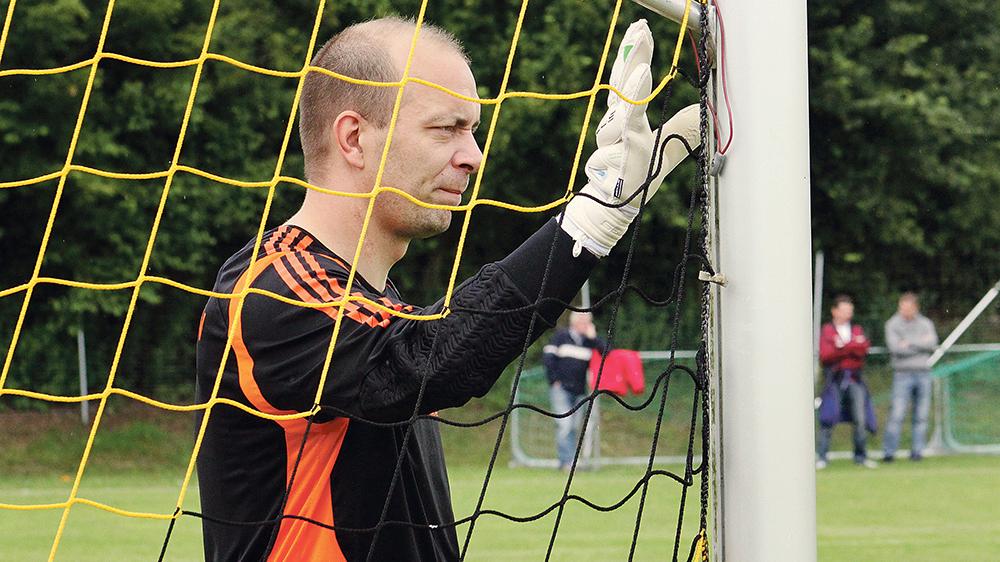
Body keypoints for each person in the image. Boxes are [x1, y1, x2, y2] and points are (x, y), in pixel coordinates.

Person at [194, 16, 700, 561]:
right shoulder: (270, 288)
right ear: (354, 138)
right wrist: (592, 220)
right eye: (446, 129)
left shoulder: (378, 302)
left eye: (473, 131)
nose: (473, 156)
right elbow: (417, 364)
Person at [816, 295, 877, 469]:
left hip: (855, 379)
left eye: (849, 310)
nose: (847, 313)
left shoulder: (857, 329)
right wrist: (850, 347)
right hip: (834, 380)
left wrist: (843, 346)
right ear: (834, 311)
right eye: (843, 310)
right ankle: (822, 457)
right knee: (828, 416)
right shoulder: (827, 330)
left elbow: (862, 350)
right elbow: (826, 355)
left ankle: (860, 457)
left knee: (860, 417)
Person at [542, 311, 605, 471]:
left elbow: (607, 352)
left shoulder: (589, 342)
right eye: (584, 322)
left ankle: (571, 461)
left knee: (575, 427)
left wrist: (593, 338)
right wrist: (554, 380)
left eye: (588, 322)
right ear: (575, 322)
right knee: (565, 425)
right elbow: (548, 358)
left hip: (580, 391)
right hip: (561, 389)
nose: (586, 325)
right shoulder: (560, 337)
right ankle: (566, 462)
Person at [882, 292, 939, 462]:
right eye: (902, 308)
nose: (904, 311)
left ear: (916, 308)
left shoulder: (925, 323)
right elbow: (896, 348)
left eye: (908, 308)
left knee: (921, 415)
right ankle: (889, 453)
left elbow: (932, 344)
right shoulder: (892, 324)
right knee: (897, 414)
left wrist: (909, 342)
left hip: (923, 373)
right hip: (902, 374)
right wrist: (919, 344)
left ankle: (917, 453)